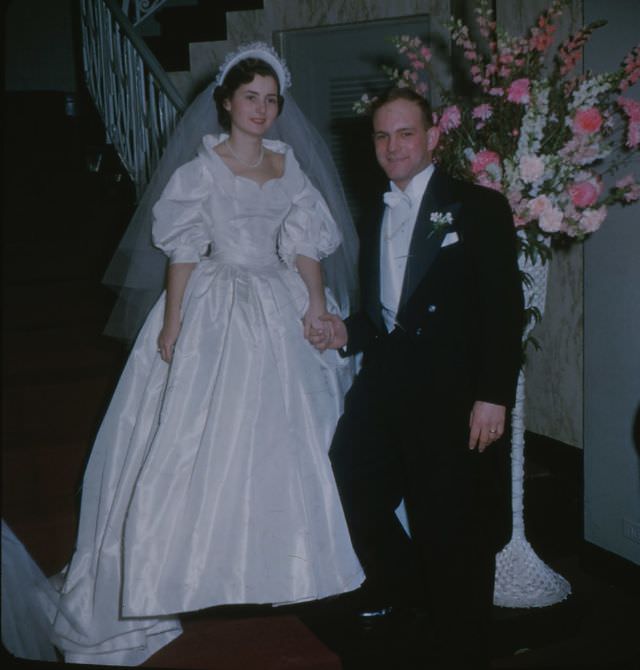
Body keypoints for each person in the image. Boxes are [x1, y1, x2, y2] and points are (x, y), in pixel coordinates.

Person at [45, 43, 363, 667]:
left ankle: (293, 561)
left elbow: (305, 245)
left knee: (292, 436)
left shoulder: (287, 163)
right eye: (251, 97)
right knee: (186, 437)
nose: (263, 110)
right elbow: (184, 249)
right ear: (226, 101)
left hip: (279, 299)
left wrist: (316, 306)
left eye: (272, 100)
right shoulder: (200, 170)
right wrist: (173, 319)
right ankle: (180, 569)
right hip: (217, 302)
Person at [311, 86, 524, 668]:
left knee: (450, 526)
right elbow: (384, 312)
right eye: (382, 135)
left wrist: (492, 396)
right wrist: (345, 333)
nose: (392, 145)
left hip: (454, 394)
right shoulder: (377, 210)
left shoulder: (478, 206)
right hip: (386, 388)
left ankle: (463, 643)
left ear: (433, 137)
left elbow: (505, 312)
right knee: (350, 473)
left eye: (405, 133)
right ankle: (407, 587)